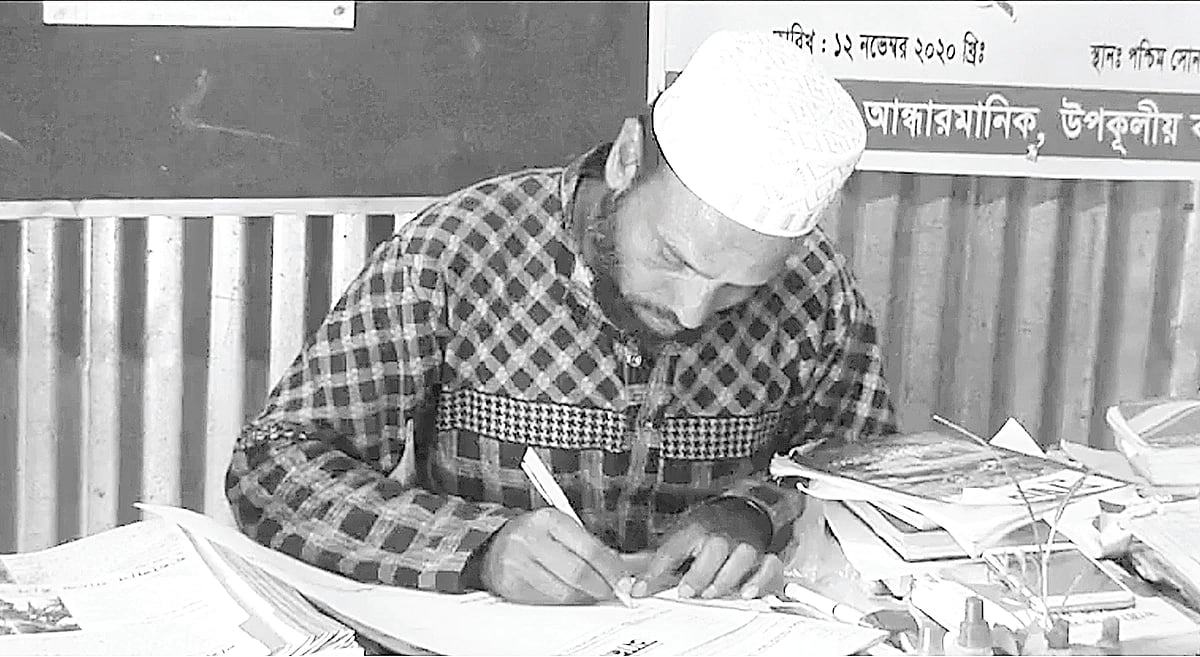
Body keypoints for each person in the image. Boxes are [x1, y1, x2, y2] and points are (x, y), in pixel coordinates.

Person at [225, 29, 897, 607]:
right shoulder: (460, 252)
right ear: (629, 160)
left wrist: (750, 511)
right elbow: (273, 464)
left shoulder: (814, 291)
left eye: (735, 290)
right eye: (675, 259)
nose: (693, 312)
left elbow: (864, 481)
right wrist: (478, 546)